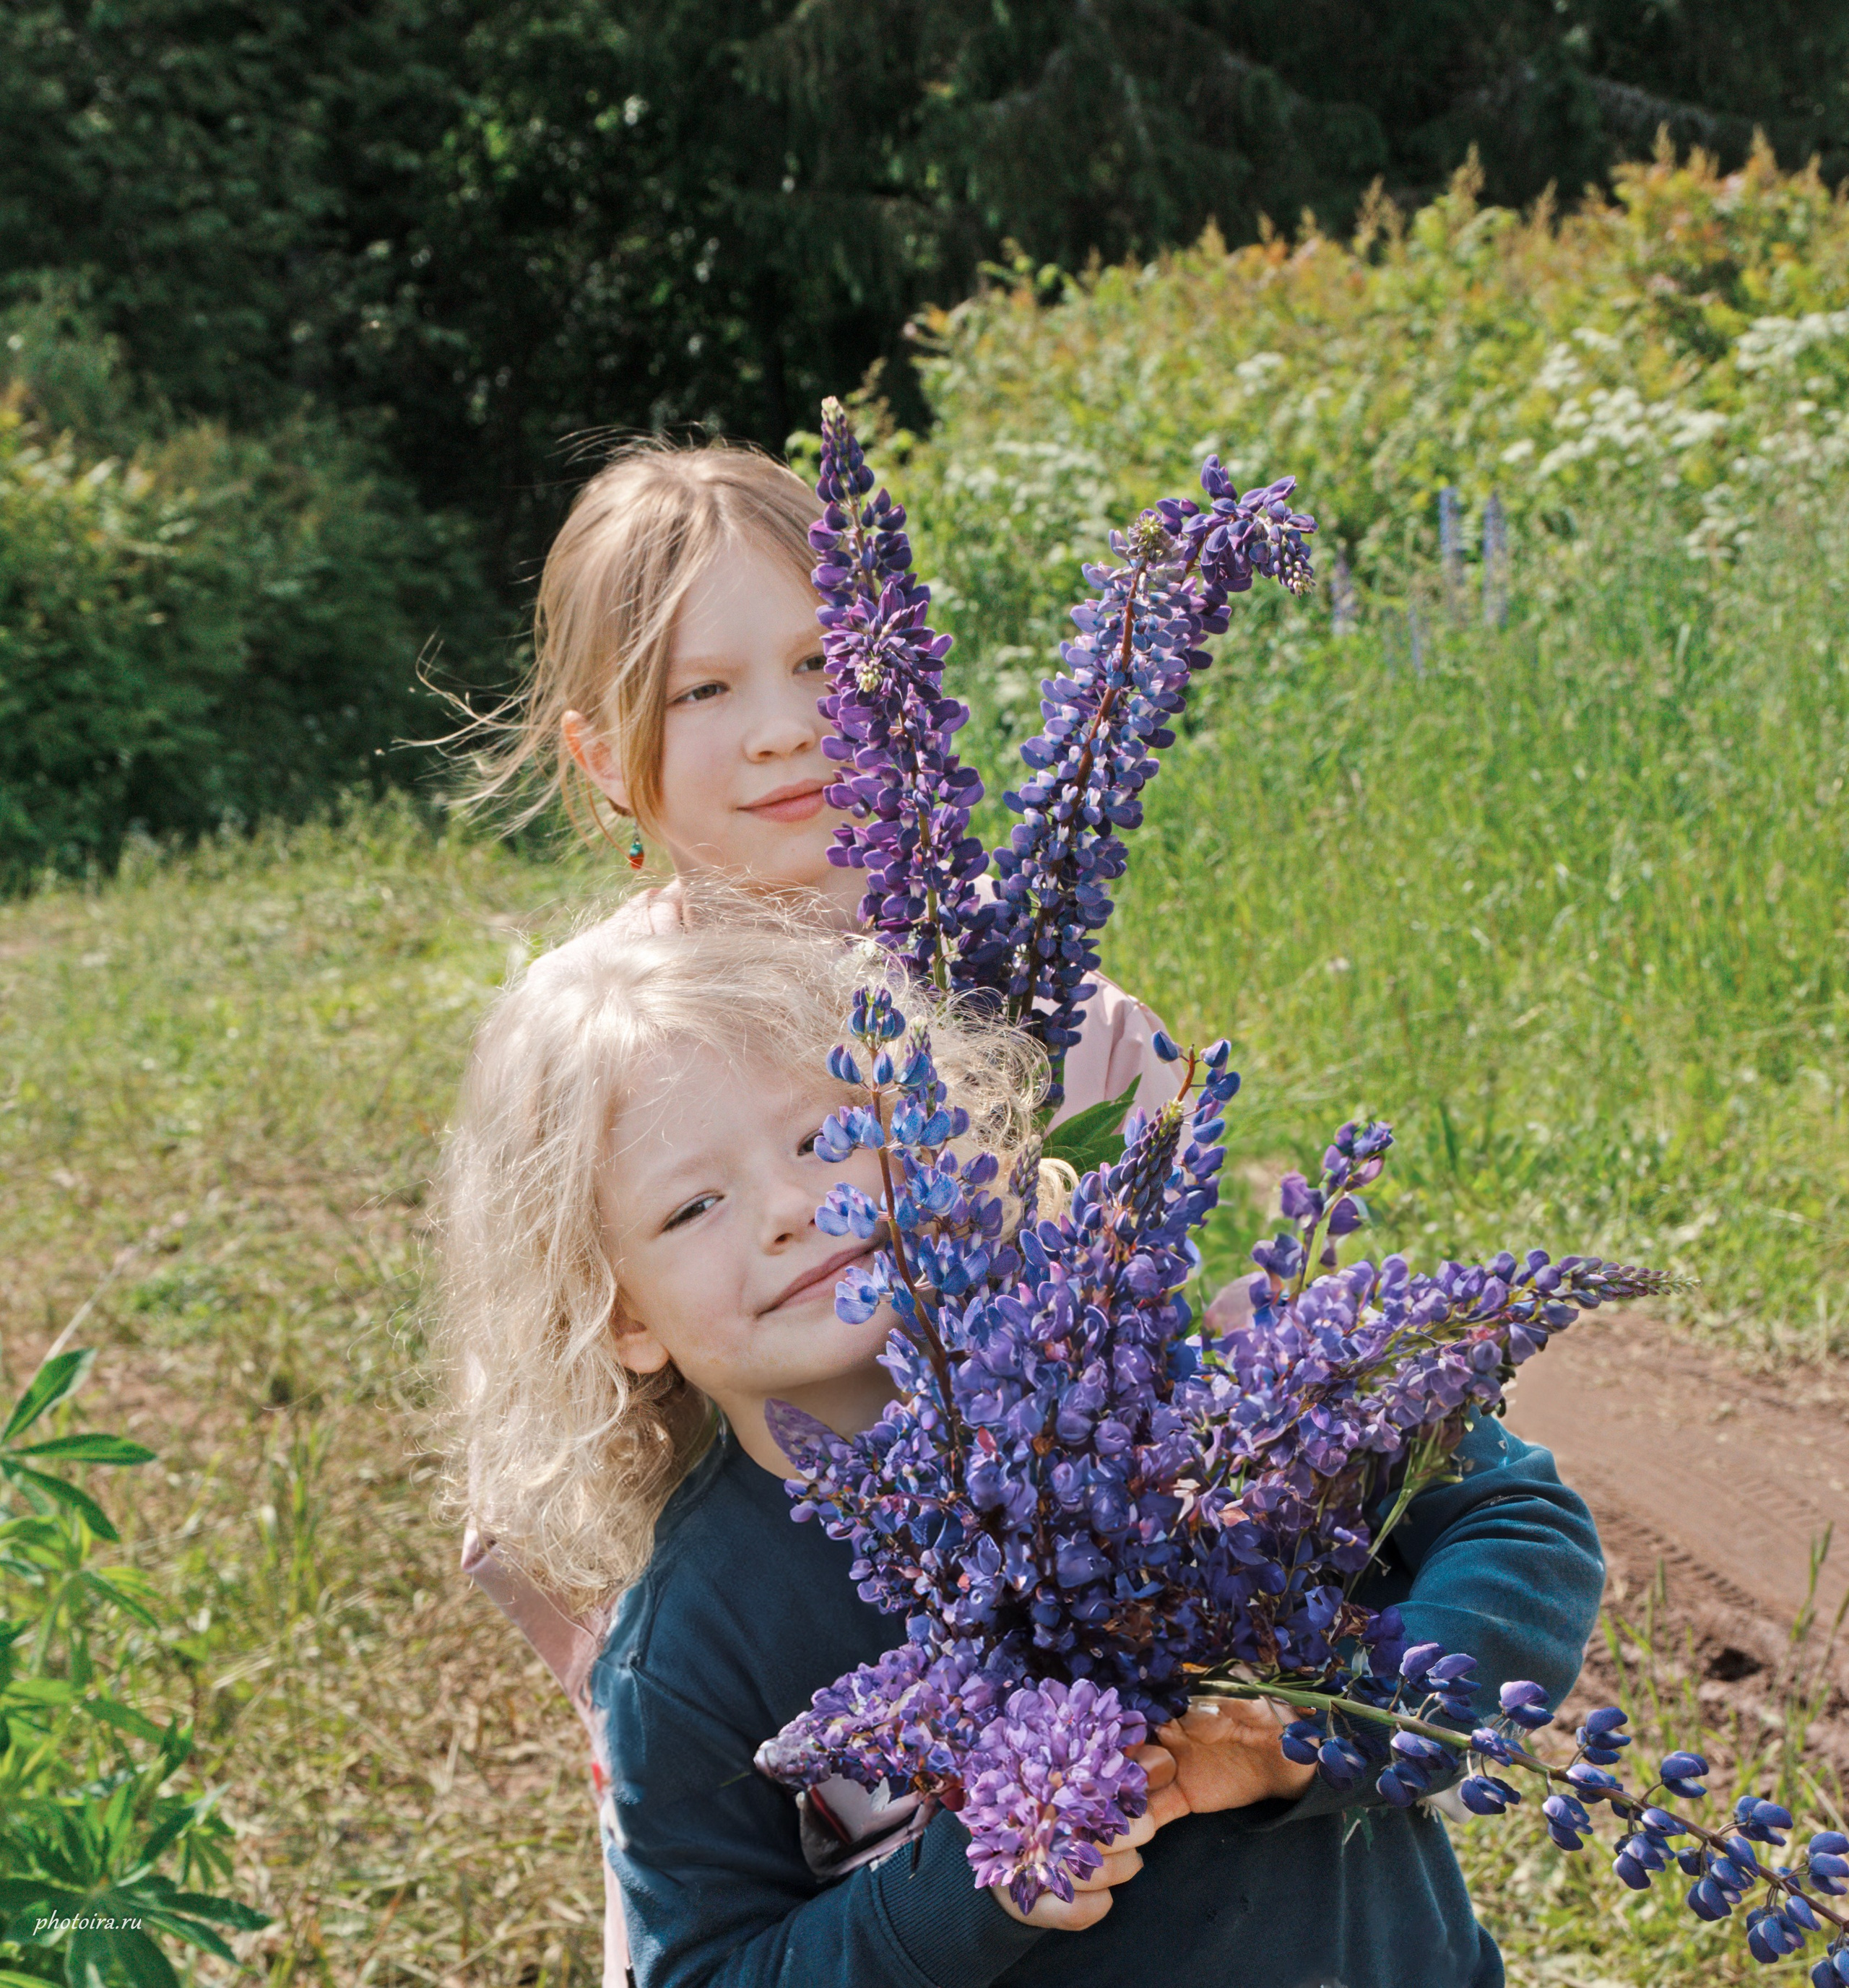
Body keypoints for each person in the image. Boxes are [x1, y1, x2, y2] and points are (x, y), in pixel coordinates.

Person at [438, 910, 1604, 1988]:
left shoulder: (1135, 1373)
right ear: (622, 1314)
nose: (789, 1205)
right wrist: (968, 1888)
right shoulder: (694, 1643)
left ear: (929, 1132)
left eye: (822, 1131)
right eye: (693, 1206)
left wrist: (1325, 1726)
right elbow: (709, 1968)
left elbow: (1518, 1520)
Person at [454, 439, 1188, 1980]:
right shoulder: (596, 1041)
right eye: (703, 692)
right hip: (781, 1736)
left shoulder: (1065, 1014)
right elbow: (532, 1446)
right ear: (602, 755)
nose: (786, 730)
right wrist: (662, 1705)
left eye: (818, 660)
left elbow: (1190, 1325)